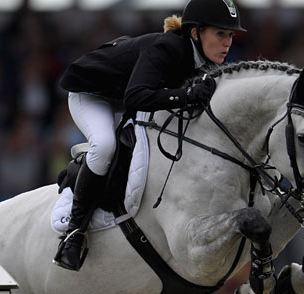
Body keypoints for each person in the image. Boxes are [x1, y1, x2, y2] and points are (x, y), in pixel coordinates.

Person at [53, 0, 247, 271]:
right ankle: (73, 234)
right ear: (195, 33)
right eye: (220, 34)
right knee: (106, 145)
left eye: (230, 35)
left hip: (122, 94)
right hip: (92, 94)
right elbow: (135, 98)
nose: (227, 43)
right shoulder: (168, 48)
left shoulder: (202, 60)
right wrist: (186, 95)